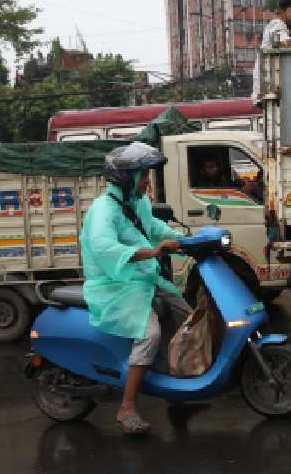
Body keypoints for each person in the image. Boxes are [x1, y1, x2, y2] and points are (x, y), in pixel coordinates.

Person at [79, 142, 190, 435]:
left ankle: (176, 389)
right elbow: (104, 248)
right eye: (143, 176)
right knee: (150, 334)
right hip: (115, 285)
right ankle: (126, 408)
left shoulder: (137, 203)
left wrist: (188, 241)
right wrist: (154, 252)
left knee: (187, 317)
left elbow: (154, 228)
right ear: (126, 178)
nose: (147, 182)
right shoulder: (103, 210)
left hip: (142, 279)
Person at [251, 0, 291, 104]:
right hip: (269, 91)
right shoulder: (277, 25)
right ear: (282, 12)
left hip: (276, 91)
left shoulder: (287, 31)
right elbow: (283, 43)